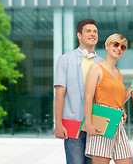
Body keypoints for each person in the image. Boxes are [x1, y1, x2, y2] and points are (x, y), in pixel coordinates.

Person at [54, 19, 103, 164]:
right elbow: (59, 94)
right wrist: (58, 124)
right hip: (73, 124)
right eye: (88, 31)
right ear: (79, 35)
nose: (92, 34)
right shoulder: (65, 60)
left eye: (95, 31)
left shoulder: (102, 62)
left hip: (96, 125)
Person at [84, 33, 133, 164]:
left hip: (117, 122)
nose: (119, 48)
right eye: (115, 44)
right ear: (107, 46)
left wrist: (132, 88)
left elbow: (118, 99)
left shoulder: (118, 72)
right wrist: (88, 123)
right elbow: (88, 97)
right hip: (102, 120)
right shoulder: (96, 68)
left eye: (123, 47)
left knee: (127, 161)